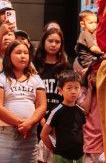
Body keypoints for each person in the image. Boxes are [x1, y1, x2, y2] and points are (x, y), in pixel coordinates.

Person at [0, 41, 47, 162]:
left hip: (30, 136)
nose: (23, 56)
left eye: (26, 53)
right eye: (18, 52)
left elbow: (42, 106)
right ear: (9, 55)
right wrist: (23, 124)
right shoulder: (0, 78)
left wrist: (29, 124)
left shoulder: (36, 78)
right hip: (4, 136)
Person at [35, 27, 71, 163]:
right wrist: (42, 120)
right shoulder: (34, 65)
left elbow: (69, 98)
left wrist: (55, 123)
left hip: (58, 125)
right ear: (44, 41)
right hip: (36, 121)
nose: (54, 44)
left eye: (57, 42)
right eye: (50, 41)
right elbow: (31, 96)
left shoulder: (66, 67)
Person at [40, 70, 86, 163]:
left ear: (80, 89)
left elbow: (83, 134)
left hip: (79, 156)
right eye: (69, 88)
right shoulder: (56, 111)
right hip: (61, 157)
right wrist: (54, 150)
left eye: (76, 88)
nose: (73, 91)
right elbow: (43, 134)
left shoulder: (81, 112)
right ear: (60, 90)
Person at [79, 66, 104, 163]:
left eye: (99, 74)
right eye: (94, 74)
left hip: (102, 142)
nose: (96, 78)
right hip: (87, 138)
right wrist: (89, 90)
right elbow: (85, 110)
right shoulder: (83, 91)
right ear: (88, 76)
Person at [74, 10, 102, 74]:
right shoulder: (85, 34)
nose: (94, 25)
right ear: (82, 24)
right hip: (89, 63)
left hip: (92, 64)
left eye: (96, 22)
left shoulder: (91, 34)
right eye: (91, 23)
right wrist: (105, 51)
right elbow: (93, 48)